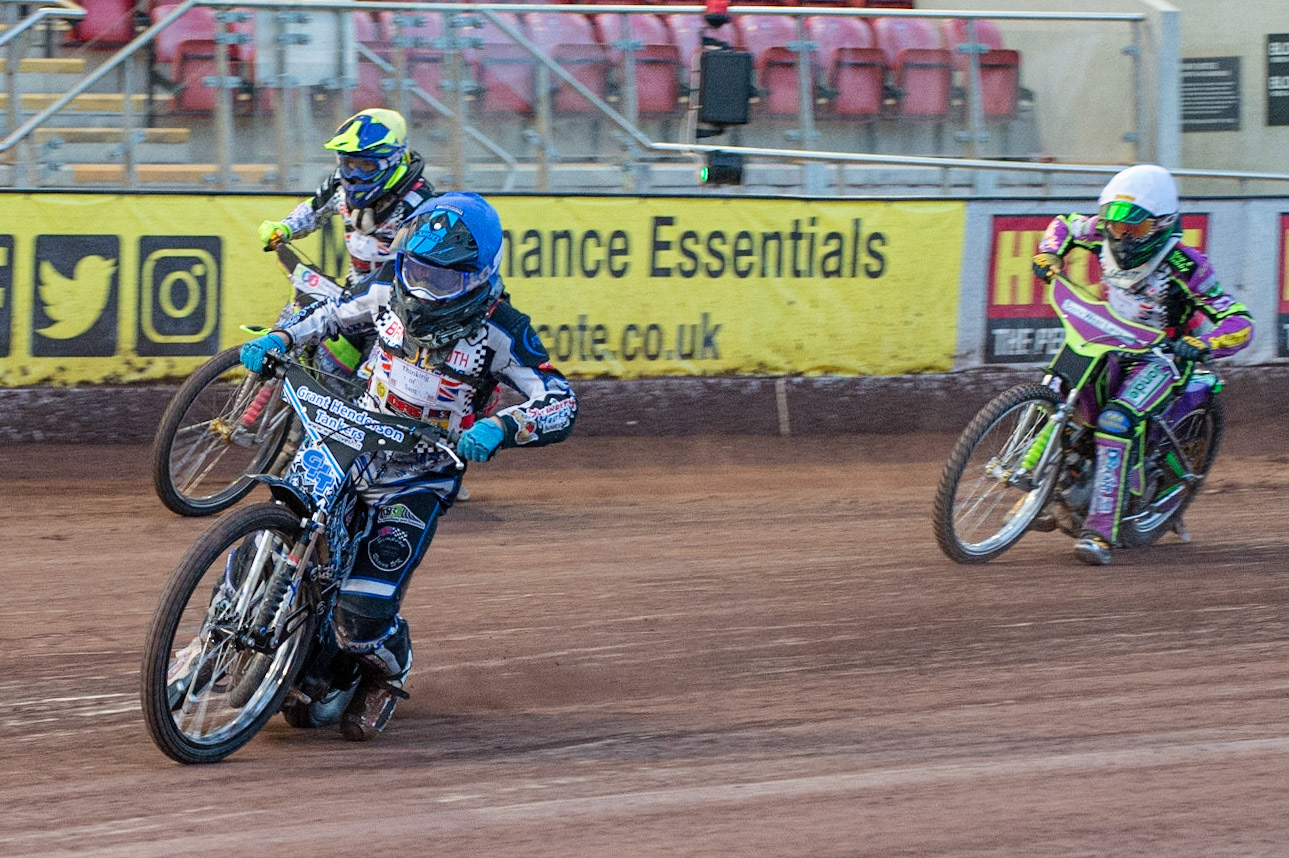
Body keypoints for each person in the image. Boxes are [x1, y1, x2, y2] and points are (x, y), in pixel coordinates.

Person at [240, 192, 578, 740]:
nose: (424, 288)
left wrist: (503, 426)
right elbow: (328, 312)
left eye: (443, 280)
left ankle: (385, 674)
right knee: (269, 536)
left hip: (420, 472)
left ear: (479, 277)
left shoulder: (503, 329)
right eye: (416, 269)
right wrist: (281, 336)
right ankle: (209, 639)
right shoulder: (383, 290)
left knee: (361, 615)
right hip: (348, 439)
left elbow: (560, 397)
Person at [1031, 163, 1253, 566]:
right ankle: (1043, 489)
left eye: (1134, 230)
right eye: (1116, 227)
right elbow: (1062, 224)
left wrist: (1202, 343)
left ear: (1163, 225)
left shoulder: (1188, 266)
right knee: (1062, 393)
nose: (1121, 236)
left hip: (1163, 359)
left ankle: (1099, 532)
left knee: (1115, 422)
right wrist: (1048, 254)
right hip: (1107, 340)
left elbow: (1240, 322)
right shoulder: (1103, 228)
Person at [258, 108, 437, 383]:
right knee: (304, 324)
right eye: (348, 163)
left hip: (399, 311)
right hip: (353, 295)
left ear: (393, 160)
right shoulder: (339, 184)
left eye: (366, 166)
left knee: (369, 383)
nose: (354, 175)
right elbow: (313, 210)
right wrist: (285, 227)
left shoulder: (420, 203)